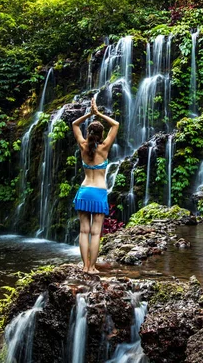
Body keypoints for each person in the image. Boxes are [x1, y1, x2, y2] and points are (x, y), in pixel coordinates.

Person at [72, 98, 119, 274]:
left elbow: (74, 124)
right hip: (99, 193)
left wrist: (89, 114)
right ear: (101, 135)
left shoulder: (83, 146)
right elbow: (115, 124)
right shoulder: (104, 147)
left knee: (84, 231)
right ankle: (92, 267)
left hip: (84, 191)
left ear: (89, 132)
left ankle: (84, 266)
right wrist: (98, 113)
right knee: (95, 232)